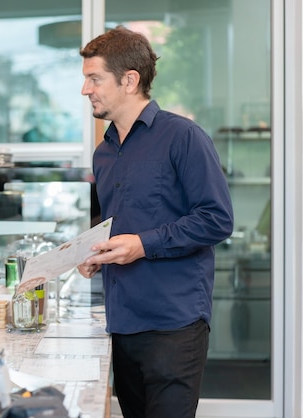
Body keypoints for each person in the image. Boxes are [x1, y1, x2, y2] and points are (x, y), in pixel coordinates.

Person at [76, 27, 234, 418]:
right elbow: (114, 223)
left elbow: (217, 219)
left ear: (129, 80)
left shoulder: (184, 137)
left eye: (94, 78)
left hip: (173, 325)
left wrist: (142, 244)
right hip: (122, 322)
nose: (85, 89)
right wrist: (93, 252)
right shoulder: (103, 153)